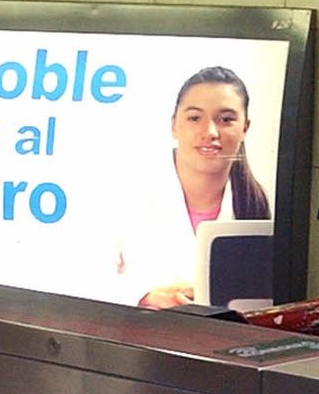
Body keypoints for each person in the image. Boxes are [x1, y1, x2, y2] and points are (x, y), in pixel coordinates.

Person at [113, 66, 270, 308]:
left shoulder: (259, 205)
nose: (209, 132)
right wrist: (143, 297)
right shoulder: (125, 190)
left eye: (226, 120)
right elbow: (79, 279)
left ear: (245, 129)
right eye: (195, 118)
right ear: (174, 125)